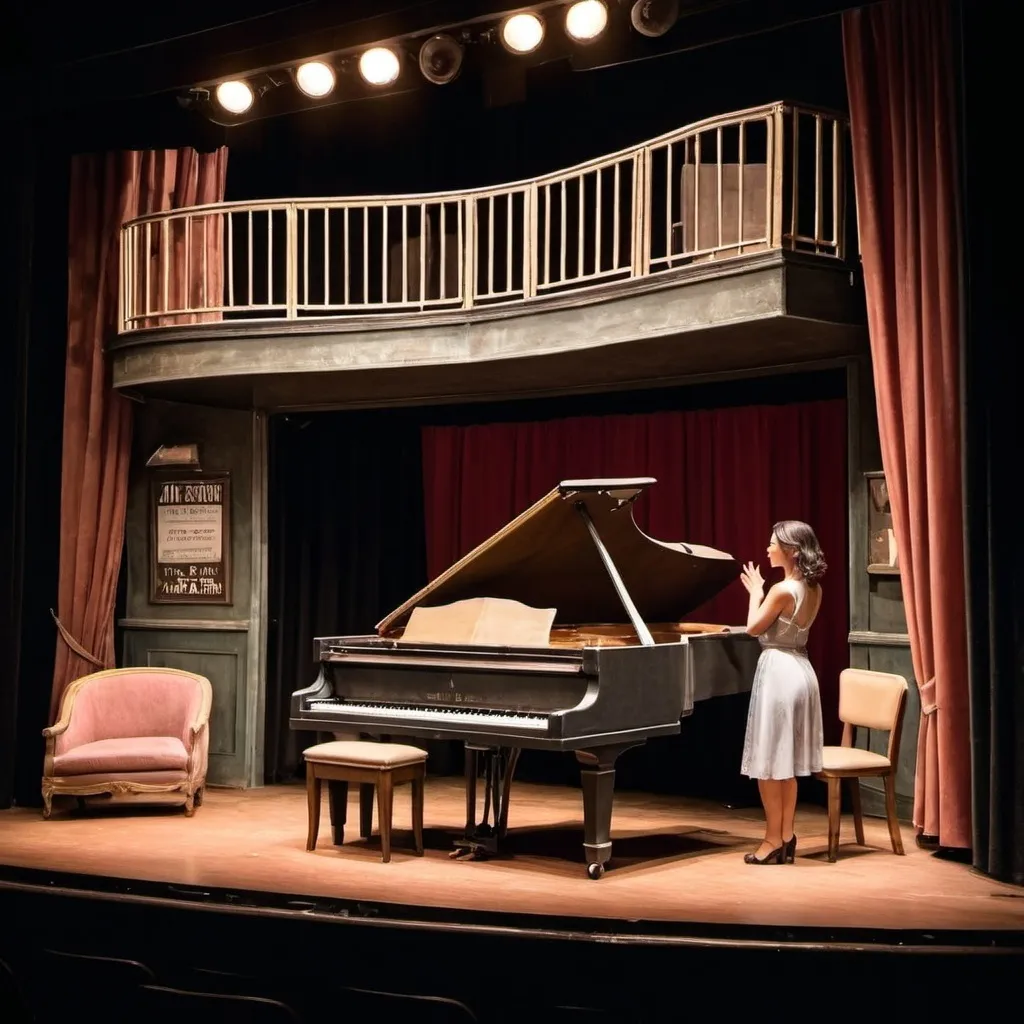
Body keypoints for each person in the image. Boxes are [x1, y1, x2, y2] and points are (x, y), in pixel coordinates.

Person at [738, 520, 827, 865]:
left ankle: (771, 839)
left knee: (769, 762)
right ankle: (786, 835)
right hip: (802, 669)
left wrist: (755, 594)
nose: (767, 548)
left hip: (778, 672)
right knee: (785, 762)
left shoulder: (781, 590)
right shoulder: (815, 589)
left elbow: (752, 628)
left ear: (790, 550)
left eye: (773, 543)